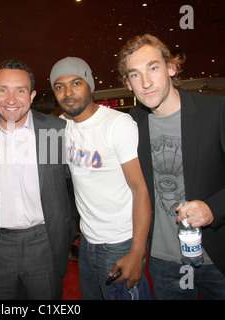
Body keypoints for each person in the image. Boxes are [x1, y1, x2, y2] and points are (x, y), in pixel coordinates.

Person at [118, 34, 225, 299]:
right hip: (164, 262)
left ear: (171, 68)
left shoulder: (216, 110)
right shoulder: (132, 123)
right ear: (128, 84)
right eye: (135, 74)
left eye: (153, 68)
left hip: (217, 258)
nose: (145, 82)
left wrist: (214, 208)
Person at [0, 60, 77, 299]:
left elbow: (80, 178)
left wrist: (70, 226)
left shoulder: (55, 130)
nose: (11, 99)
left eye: (20, 90)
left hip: (45, 242)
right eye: (3, 90)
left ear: (31, 95)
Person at [49, 57, 152, 299]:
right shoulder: (62, 126)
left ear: (90, 85)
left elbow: (140, 190)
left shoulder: (118, 124)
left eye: (76, 83)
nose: (68, 93)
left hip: (121, 242)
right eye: (59, 87)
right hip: (87, 243)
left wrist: (137, 253)